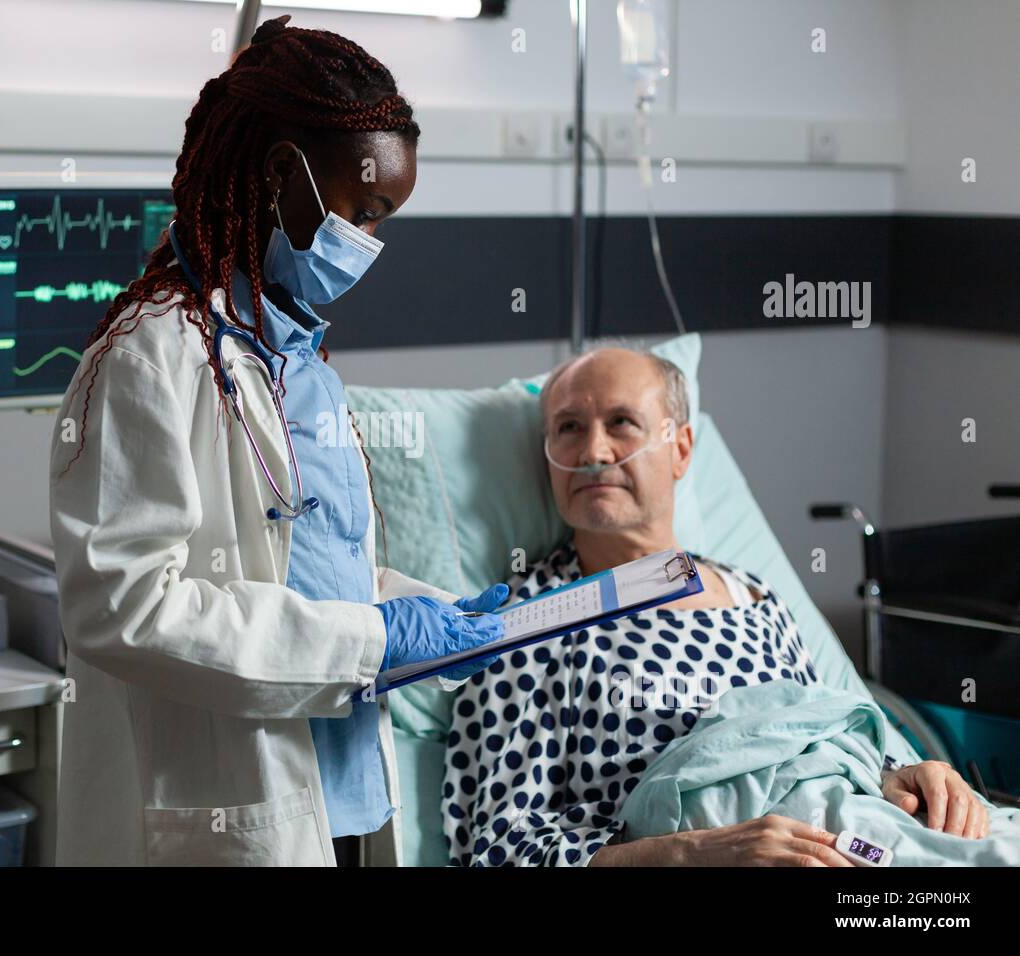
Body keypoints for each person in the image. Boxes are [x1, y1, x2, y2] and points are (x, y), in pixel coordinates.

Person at [48, 16, 505, 867]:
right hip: (233, 812)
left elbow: (308, 562)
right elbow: (124, 606)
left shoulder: (298, 356)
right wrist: (373, 639)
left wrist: (419, 613)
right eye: (362, 210)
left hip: (348, 793)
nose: (369, 242)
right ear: (277, 175)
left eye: (383, 220)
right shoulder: (151, 358)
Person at [442, 345, 989, 866]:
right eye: (568, 428)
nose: (594, 452)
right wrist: (698, 854)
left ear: (680, 449)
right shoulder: (527, 621)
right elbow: (498, 849)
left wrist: (901, 777)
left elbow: (818, 736)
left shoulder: (753, 595)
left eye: (622, 423)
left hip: (850, 831)